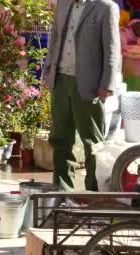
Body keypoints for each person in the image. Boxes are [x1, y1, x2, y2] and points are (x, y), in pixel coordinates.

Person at [42, 0, 121, 191]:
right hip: (61, 80)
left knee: (92, 143)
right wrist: (48, 71)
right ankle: (61, 190)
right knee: (60, 139)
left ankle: (93, 193)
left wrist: (107, 84)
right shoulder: (63, 3)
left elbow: (112, 50)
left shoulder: (106, 7)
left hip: (89, 85)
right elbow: (55, 38)